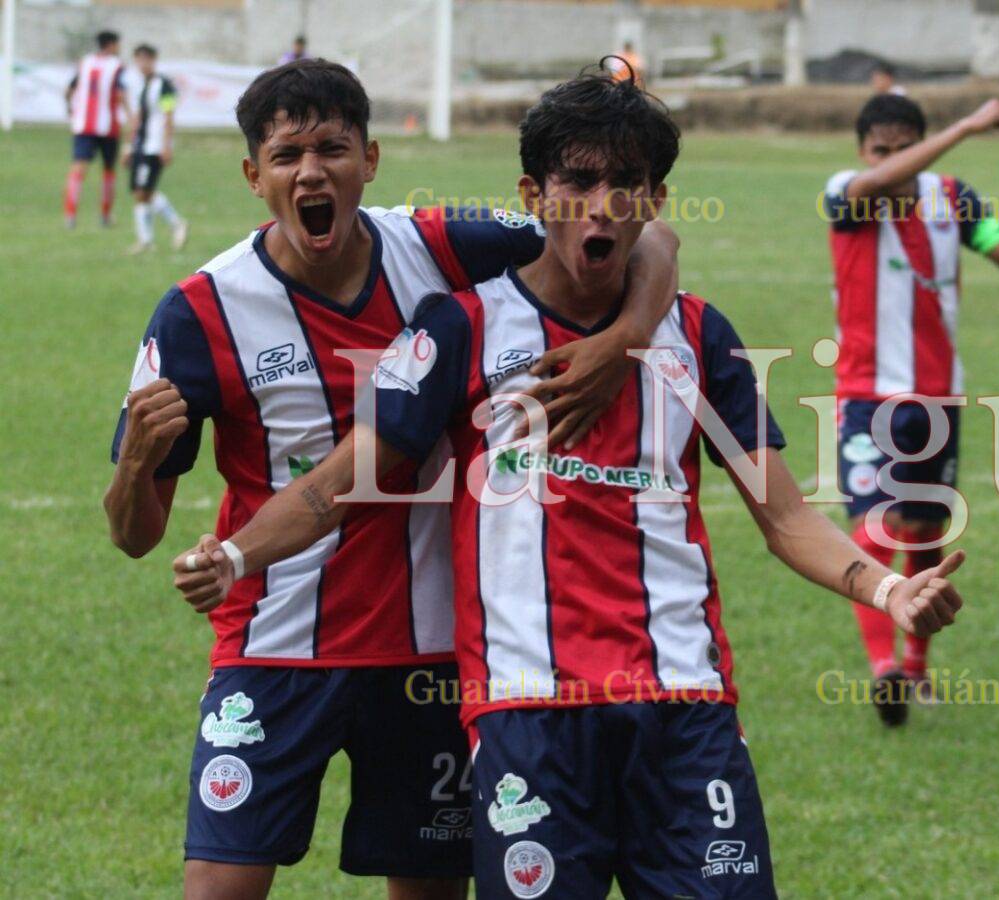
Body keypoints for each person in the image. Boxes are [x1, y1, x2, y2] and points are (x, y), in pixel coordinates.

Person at [171, 67, 967, 899]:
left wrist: (886, 591)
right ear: (533, 194)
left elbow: (787, 516)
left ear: (655, 200)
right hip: (527, 720)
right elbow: (343, 480)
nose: (603, 206)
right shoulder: (460, 329)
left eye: (627, 185)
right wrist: (234, 556)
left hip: (685, 710)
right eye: (579, 182)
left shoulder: (699, 336)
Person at [104, 58, 681, 899]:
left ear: (369, 160)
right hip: (274, 644)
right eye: (288, 153)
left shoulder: (445, 246)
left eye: (332, 148)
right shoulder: (198, 311)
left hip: (433, 649)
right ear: (253, 175)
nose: (312, 171)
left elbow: (650, 235)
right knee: (218, 889)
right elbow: (134, 535)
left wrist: (625, 336)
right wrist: (132, 466)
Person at [822, 93, 999, 725]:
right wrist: (966, 124)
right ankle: (884, 671)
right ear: (863, 152)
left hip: (938, 395)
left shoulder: (949, 195)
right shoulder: (846, 191)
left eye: (905, 148)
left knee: (926, 535)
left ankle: (916, 667)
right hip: (869, 395)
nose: (894, 162)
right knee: (874, 530)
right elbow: (875, 182)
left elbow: (994, 237)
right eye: (882, 150)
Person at [123, 44, 189, 254]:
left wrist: (166, 145)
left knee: (144, 191)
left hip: (155, 146)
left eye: (145, 59)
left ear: (153, 60)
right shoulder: (143, 85)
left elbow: (169, 115)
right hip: (141, 145)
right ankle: (146, 240)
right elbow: (138, 119)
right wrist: (128, 145)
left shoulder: (164, 85)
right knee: (139, 192)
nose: (142, 64)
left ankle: (175, 223)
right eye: (138, 60)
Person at [63, 30, 130, 229]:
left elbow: (69, 90)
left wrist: (70, 108)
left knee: (78, 169)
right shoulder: (116, 66)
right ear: (111, 45)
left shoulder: (86, 62)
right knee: (108, 170)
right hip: (108, 127)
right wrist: (131, 115)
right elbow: (120, 94)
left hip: (84, 125)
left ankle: (70, 215)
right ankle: (105, 215)